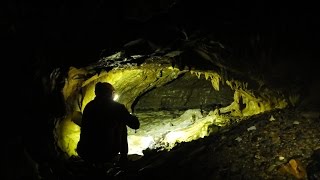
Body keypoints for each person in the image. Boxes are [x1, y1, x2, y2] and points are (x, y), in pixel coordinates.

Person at [76, 82, 140, 169]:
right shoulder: (117, 107)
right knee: (121, 124)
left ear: (96, 93)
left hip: (84, 152)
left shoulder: (89, 106)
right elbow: (135, 125)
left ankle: (93, 163)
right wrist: (128, 114)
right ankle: (123, 159)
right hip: (106, 153)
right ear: (112, 93)